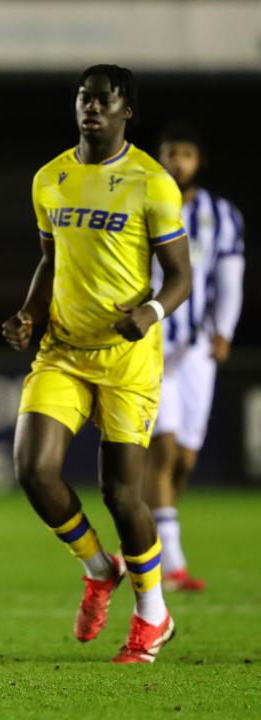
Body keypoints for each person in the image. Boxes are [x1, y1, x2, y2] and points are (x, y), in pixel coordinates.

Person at [2, 64, 192, 664]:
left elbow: (183, 275)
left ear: (126, 112)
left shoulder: (151, 182)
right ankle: (96, 568)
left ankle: (153, 616)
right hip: (62, 351)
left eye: (105, 100)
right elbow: (49, 260)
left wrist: (153, 311)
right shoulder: (51, 178)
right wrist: (29, 315)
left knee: (121, 495)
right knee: (34, 470)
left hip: (127, 357)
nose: (92, 108)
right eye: (85, 98)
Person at [145, 123, 245, 592]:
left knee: (184, 457)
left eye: (185, 154)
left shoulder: (221, 215)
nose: (177, 161)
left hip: (198, 349)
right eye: (170, 152)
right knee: (162, 448)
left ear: (198, 161)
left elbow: (230, 279)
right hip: (151, 343)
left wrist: (223, 331)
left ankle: (153, 536)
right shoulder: (141, 204)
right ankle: (171, 562)